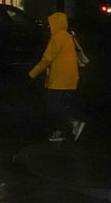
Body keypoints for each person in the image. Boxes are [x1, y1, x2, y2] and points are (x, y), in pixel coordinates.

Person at [28, 11, 86, 143]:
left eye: (50, 24)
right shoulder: (67, 36)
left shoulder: (57, 37)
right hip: (70, 78)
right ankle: (61, 131)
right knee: (63, 104)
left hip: (59, 79)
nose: (48, 27)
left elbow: (47, 59)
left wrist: (33, 73)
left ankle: (73, 124)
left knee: (54, 106)